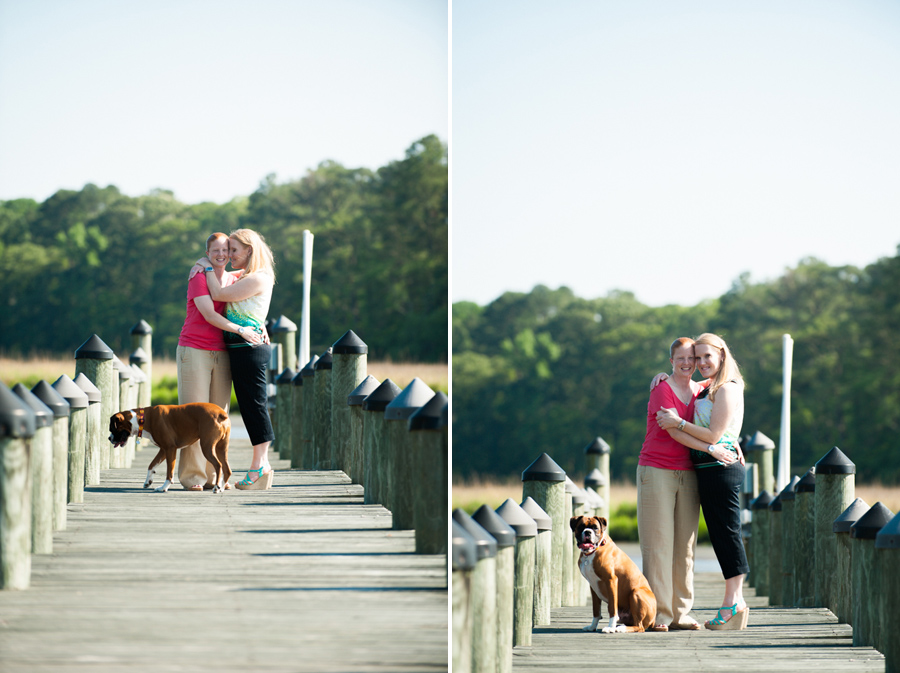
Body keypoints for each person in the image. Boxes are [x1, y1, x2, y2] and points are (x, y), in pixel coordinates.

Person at [656, 332, 749, 631]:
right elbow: (703, 435)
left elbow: (712, 435)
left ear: (722, 355)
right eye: (698, 357)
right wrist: (662, 376)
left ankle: (734, 601)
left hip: (722, 471)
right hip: (707, 469)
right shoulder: (706, 389)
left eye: (708, 355)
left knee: (728, 533)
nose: (701, 362)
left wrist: (678, 423)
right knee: (721, 536)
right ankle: (734, 602)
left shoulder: (727, 389)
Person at [176, 232, 263, 490]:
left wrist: (260, 327)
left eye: (226, 250)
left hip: (223, 352)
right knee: (193, 415)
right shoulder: (198, 277)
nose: (222, 254)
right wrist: (240, 330)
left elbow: (252, 306)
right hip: (194, 349)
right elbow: (209, 315)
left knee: (218, 417)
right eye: (215, 251)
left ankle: (216, 475)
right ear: (207, 253)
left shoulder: (234, 278)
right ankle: (193, 477)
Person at [194, 228, 276, 490]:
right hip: (240, 350)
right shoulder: (246, 275)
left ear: (249, 250)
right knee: (251, 406)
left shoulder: (259, 278)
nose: (228, 255)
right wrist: (204, 263)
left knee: (255, 406)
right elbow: (227, 279)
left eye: (233, 250)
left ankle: (260, 465)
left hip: (250, 350)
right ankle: (259, 465)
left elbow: (217, 293)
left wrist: (206, 266)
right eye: (226, 250)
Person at [637, 337, 705, 631]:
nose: (688, 363)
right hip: (656, 470)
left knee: (685, 546)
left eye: (692, 358)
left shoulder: (703, 390)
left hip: (689, 472)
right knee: (658, 545)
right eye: (681, 359)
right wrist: (712, 448)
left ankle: (680, 611)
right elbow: (673, 430)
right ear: (671, 362)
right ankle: (659, 613)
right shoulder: (661, 389)